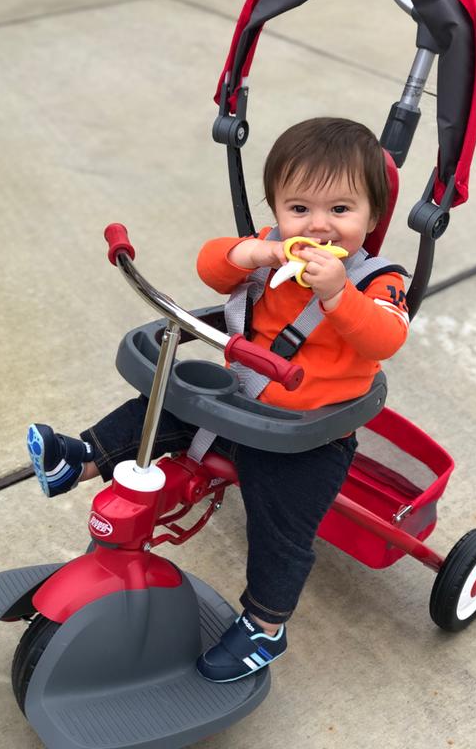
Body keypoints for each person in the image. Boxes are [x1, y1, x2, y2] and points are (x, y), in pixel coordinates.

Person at [27, 117, 409, 683]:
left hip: (308, 434)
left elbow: (386, 338)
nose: (319, 226)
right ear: (276, 209)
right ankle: (79, 457)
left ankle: (264, 625)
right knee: (162, 404)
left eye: (341, 210)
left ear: (372, 218)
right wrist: (250, 254)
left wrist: (338, 293)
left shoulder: (379, 280)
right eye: (299, 209)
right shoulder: (272, 248)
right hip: (241, 401)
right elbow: (210, 267)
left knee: (281, 528)